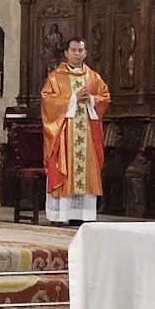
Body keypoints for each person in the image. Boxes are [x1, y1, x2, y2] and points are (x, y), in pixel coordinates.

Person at [39, 37, 111, 225]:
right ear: (66, 53)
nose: (77, 53)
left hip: (86, 133)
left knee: (85, 172)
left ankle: (82, 215)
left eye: (80, 50)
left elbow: (105, 97)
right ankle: (61, 216)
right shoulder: (56, 76)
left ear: (85, 53)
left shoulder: (93, 77)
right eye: (73, 50)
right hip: (64, 135)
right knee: (65, 169)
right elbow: (47, 100)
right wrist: (72, 98)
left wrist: (92, 99)